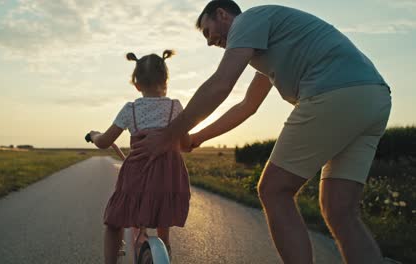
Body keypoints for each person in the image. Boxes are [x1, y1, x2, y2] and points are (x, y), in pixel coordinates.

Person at [130, 1, 391, 263]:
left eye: (208, 32)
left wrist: (168, 136)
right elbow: (247, 106)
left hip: (333, 93)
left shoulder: (248, 20)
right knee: (340, 211)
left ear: (222, 14)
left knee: (274, 190)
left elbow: (221, 84)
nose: (210, 43)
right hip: (373, 98)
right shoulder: (270, 41)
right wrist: (197, 138)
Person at [87, 50, 191, 264]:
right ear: (166, 81)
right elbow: (186, 145)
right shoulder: (175, 107)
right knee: (163, 218)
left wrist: (94, 134)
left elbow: (105, 141)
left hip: (138, 174)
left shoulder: (131, 110)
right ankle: (165, 251)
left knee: (114, 222)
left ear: (137, 84)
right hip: (168, 177)